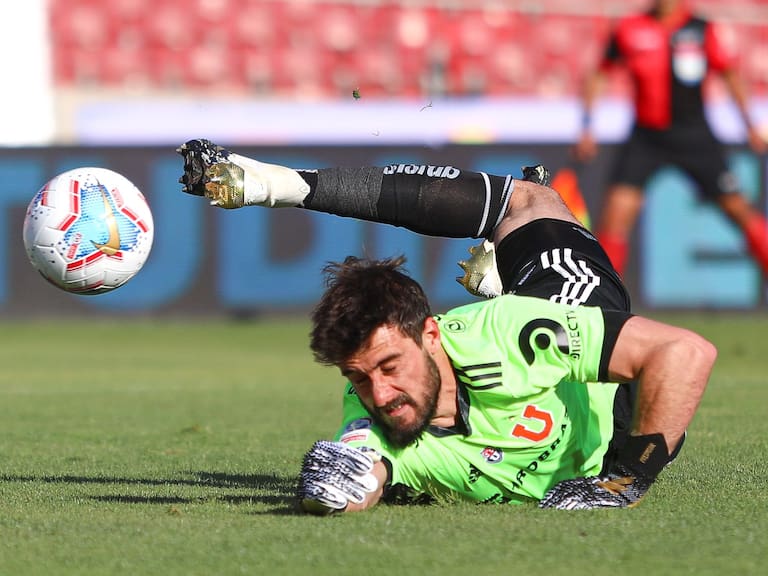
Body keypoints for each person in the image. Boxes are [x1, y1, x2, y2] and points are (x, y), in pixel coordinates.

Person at [176, 138, 717, 512]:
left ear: (431, 335)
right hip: (528, 344)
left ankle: (276, 183)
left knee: (532, 204)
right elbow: (364, 470)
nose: (380, 395)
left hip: (573, 334)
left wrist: (625, 480)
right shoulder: (371, 411)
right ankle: (502, 276)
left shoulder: (508, 337)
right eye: (359, 378)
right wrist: (332, 492)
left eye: (389, 366)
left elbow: (685, 353)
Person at [574, 0, 768, 277]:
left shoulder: (702, 29)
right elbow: (600, 73)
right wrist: (587, 125)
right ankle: (604, 301)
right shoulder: (630, 28)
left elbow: (730, 75)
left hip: (694, 136)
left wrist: (749, 125)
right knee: (615, 218)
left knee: (739, 210)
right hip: (645, 138)